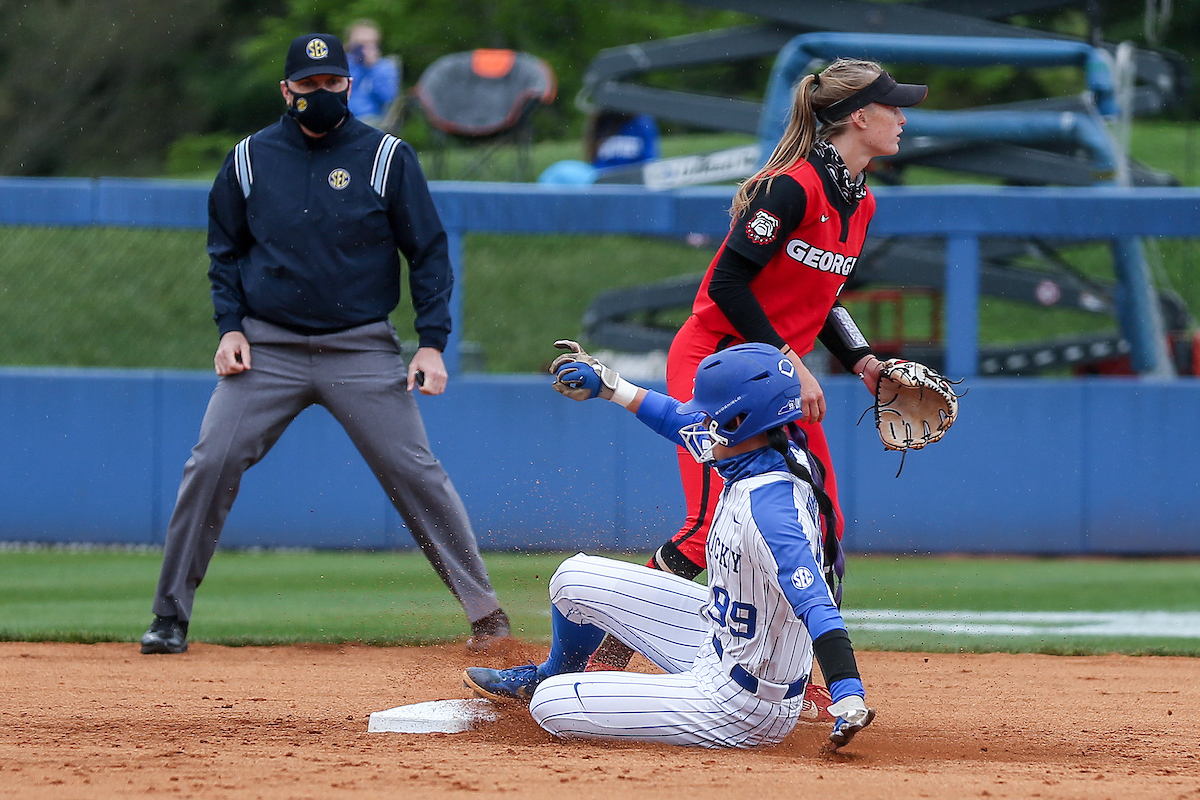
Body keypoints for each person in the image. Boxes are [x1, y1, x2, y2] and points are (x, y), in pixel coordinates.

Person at [140, 32, 509, 656]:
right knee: (210, 462)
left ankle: (487, 615)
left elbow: (427, 251)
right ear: (286, 90)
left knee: (416, 473)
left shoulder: (386, 156)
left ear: (348, 85)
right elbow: (224, 252)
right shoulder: (249, 159)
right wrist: (230, 328)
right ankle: (168, 616)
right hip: (268, 347)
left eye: (331, 82)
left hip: (360, 347)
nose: (321, 92)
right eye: (308, 84)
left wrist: (432, 342)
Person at [583, 60, 929, 705]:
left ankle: (797, 674)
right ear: (859, 117)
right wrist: (789, 358)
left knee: (822, 521)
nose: (903, 117)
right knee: (706, 526)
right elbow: (727, 284)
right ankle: (586, 664)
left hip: (775, 377)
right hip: (716, 363)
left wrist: (863, 362)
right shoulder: (789, 189)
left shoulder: (861, 201)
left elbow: (822, 296)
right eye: (893, 106)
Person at [463, 342, 874, 751]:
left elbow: (817, 606)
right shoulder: (762, 450)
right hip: (725, 638)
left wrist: (848, 694)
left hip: (743, 703)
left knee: (551, 705)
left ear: (739, 421)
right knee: (572, 577)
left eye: (710, 414)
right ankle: (553, 671)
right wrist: (610, 386)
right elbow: (678, 420)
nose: (701, 421)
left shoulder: (770, 511)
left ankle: (561, 688)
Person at [345, 19, 400, 126]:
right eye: (361, 43)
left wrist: (372, 68)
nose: (365, 49)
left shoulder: (384, 67)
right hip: (341, 116)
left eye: (371, 43)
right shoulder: (343, 64)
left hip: (369, 118)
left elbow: (388, 98)